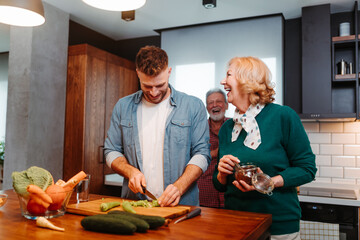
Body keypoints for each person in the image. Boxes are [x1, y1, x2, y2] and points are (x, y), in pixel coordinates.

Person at [213, 56, 317, 239]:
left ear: (247, 80)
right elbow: (219, 185)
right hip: (236, 225)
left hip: (278, 227)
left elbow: (307, 169)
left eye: (229, 75)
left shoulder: (283, 116)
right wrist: (221, 173)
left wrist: (269, 182)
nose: (223, 81)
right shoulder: (227, 128)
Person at [104, 46, 211, 207]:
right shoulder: (122, 106)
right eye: (147, 86)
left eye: (160, 85)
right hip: (135, 204)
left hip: (182, 205)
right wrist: (130, 171)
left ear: (169, 72)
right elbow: (111, 151)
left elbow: (202, 154)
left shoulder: (193, 106)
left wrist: (179, 187)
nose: (154, 92)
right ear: (138, 73)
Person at [198, 88, 228, 208]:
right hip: (205, 194)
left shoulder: (236, 126)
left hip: (230, 194)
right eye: (210, 102)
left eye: (219, 101)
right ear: (207, 107)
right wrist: (217, 152)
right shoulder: (199, 129)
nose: (214, 105)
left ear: (226, 105)